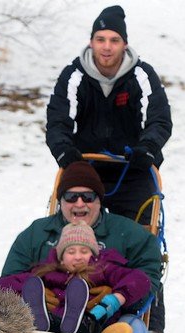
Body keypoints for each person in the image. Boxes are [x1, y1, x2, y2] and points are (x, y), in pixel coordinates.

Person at [0, 160, 165, 333]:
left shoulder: (122, 243)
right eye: (71, 197)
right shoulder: (38, 236)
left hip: (102, 317)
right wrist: (30, 292)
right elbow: (6, 282)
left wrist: (116, 298)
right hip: (48, 316)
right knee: (7, 316)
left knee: (129, 327)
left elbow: (146, 281)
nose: (79, 203)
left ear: (99, 200)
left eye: (87, 196)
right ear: (60, 200)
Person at [45, 5, 172, 223]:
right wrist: (64, 152)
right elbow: (58, 121)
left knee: (139, 234)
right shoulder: (74, 76)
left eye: (114, 40)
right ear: (91, 42)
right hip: (85, 167)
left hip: (132, 168)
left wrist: (148, 148)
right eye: (100, 39)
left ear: (124, 44)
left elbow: (159, 119)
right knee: (70, 233)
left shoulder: (141, 75)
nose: (106, 47)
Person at [0, 221, 151, 333]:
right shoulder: (47, 273)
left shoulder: (103, 269)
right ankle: (38, 319)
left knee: (116, 329)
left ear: (94, 254)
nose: (78, 256)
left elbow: (140, 280)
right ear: (61, 258)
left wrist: (114, 300)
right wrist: (29, 290)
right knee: (38, 317)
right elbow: (1, 287)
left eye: (84, 251)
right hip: (51, 326)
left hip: (92, 321)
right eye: (71, 251)